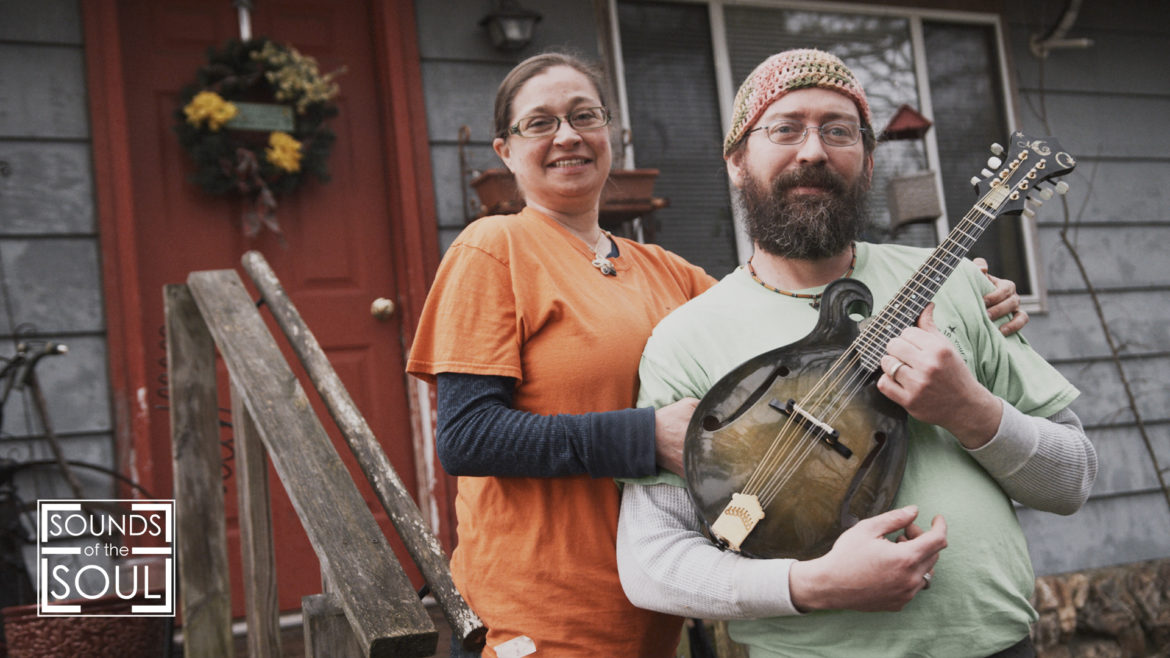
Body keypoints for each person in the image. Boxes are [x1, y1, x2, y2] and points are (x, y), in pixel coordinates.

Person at [407, 51, 1031, 657]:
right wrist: (645, 436)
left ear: (611, 135)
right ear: (505, 150)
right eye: (540, 122)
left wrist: (968, 288)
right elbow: (467, 436)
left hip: (651, 615)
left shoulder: (665, 272)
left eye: (584, 116)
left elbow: (777, 306)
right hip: (539, 611)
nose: (567, 135)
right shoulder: (493, 247)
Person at [615, 48, 1098, 658]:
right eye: (785, 128)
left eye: (838, 130)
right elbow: (652, 562)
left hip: (1000, 646)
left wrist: (968, 409)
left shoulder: (956, 280)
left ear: (868, 163)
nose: (813, 150)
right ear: (737, 162)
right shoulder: (686, 338)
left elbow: (1073, 479)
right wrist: (812, 585)